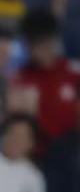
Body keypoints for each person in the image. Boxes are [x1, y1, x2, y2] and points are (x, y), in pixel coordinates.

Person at [12, 10, 80, 153]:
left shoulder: (73, 72)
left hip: (72, 147)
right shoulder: (22, 78)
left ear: (54, 41)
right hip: (39, 150)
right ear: (29, 47)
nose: (43, 50)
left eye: (46, 43)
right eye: (36, 45)